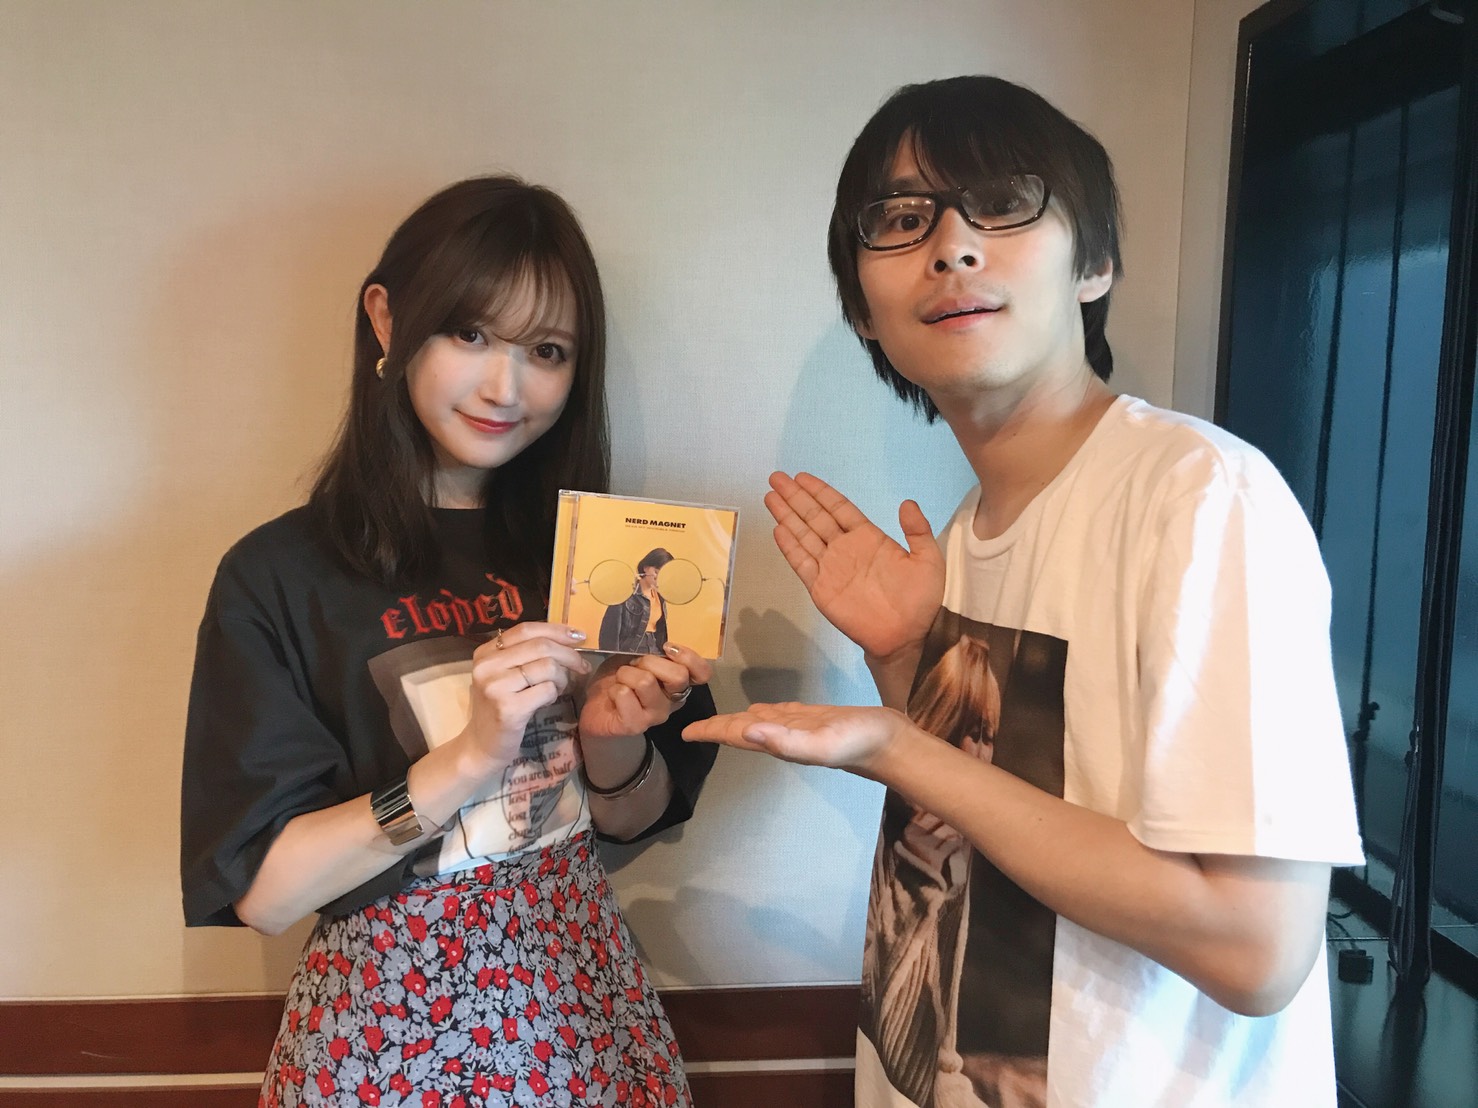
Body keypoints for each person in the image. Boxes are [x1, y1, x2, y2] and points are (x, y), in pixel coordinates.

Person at [684, 76, 1363, 1107]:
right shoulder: (964, 532)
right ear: (863, 309)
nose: (952, 245)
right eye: (901, 219)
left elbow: (1254, 948)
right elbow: (984, 835)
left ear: (1093, 263)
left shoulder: (1196, 497)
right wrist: (904, 663)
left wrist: (896, 741)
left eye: (1001, 204)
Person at [180, 176, 717, 1108]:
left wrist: (610, 739)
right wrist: (467, 757)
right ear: (387, 321)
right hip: (389, 1033)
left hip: (585, 1008)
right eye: (470, 334)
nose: (505, 387)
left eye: (546, 351)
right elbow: (265, 895)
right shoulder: (280, 574)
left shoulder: (592, 555)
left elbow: (633, 819)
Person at [598, 548, 674, 653]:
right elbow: (609, 633)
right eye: (656, 572)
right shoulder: (625, 593)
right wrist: (612, 658)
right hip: (633, 649)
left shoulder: (660, 597)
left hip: (655, 647)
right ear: (646, 568)